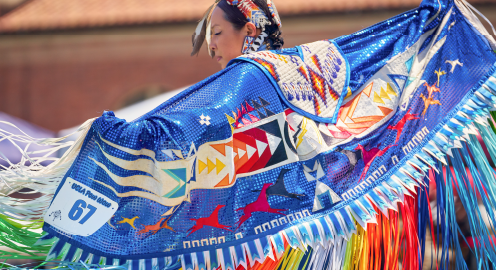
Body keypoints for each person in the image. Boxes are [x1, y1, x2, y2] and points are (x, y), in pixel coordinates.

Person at [1, 0, 496, 269]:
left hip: (257, 235)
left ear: (247, 30)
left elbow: (188, 130)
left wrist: (115, 136)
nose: (210, 44)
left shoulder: (245, 79)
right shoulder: (293, 69)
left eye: (217, 32)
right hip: (290, 229)